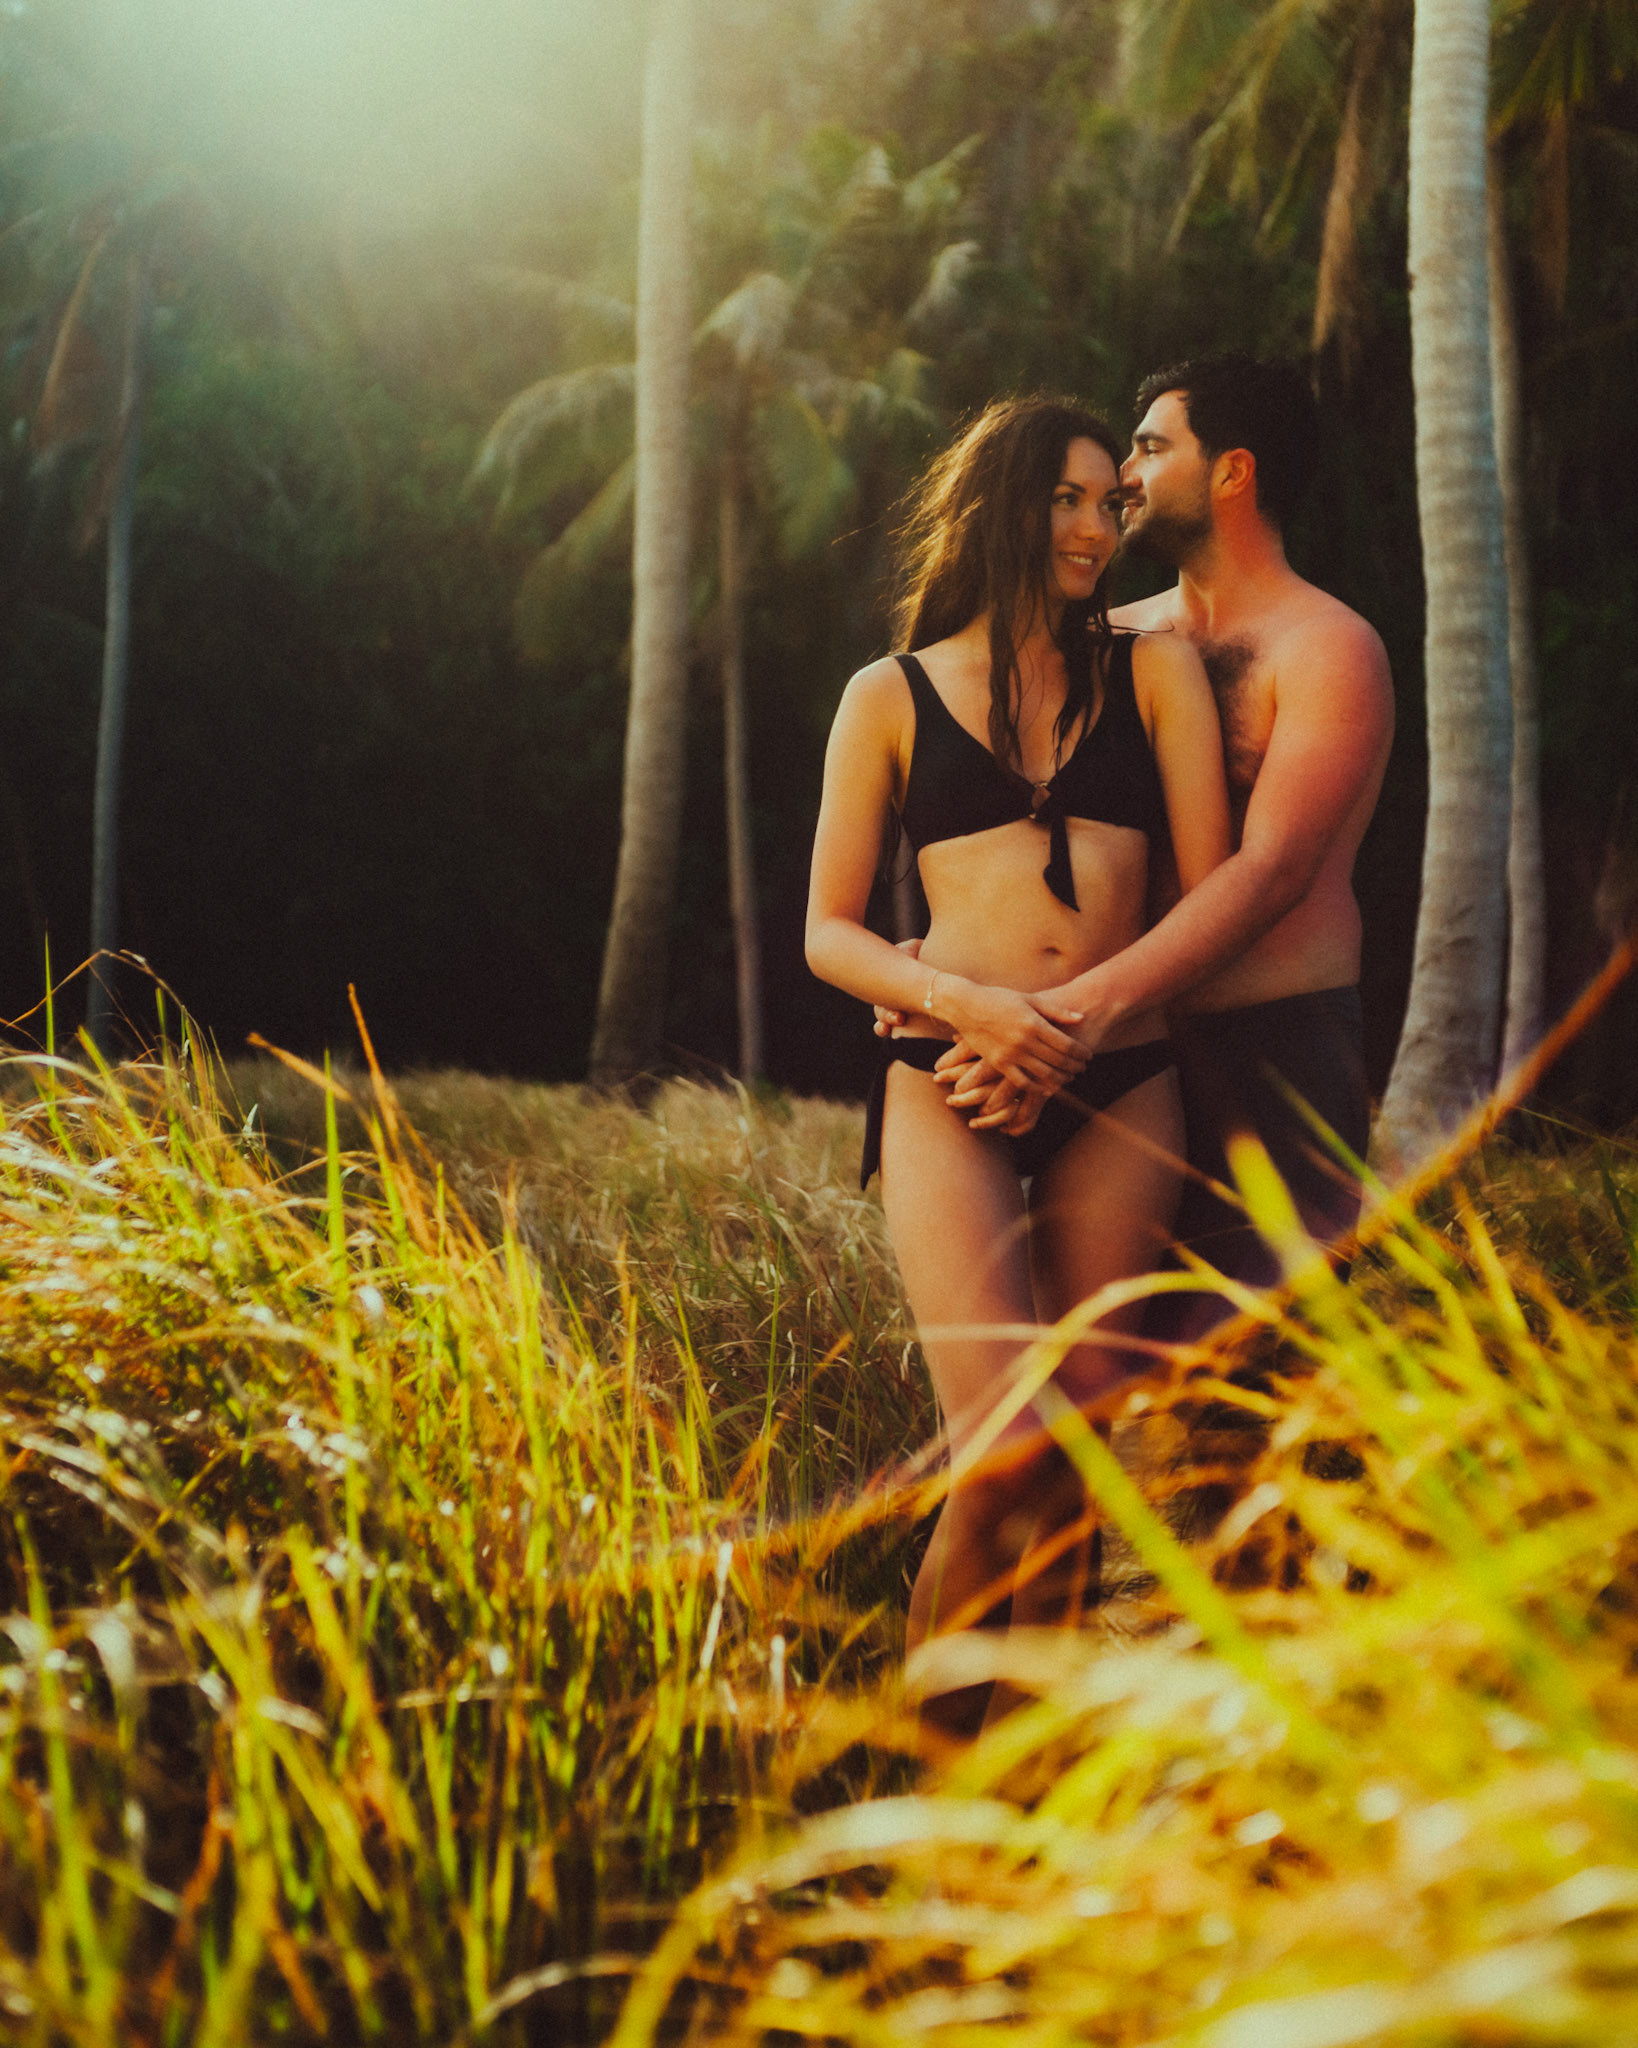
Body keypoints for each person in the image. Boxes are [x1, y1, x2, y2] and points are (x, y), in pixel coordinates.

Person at [805, 396, 1230, 1708]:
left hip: (1121, 1080)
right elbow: (825, 931)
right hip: (949, 1078)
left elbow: (1209, 896)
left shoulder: (1149, 672)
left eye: (1110, 501)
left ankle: (1026, 1815)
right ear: (999, 505)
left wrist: (1073, 1023)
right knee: (995, 1452)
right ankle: (921, 1809)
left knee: (1069, 1462)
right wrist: (967, 1009)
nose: (1097, 525)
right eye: (1066, 498)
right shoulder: (887, 694)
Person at [927, 356, 1396, 1339]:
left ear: (1233, 472)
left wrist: (1071, 1012)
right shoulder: (1114, 644)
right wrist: (939, 972)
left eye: (1149, 446)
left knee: (1244, 1405)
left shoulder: (1327, 647)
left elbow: (1270, 875)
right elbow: (1006, 831)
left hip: (1270, 1060)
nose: (1124, 479)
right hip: (1117, 1062)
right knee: (1075, 1388)